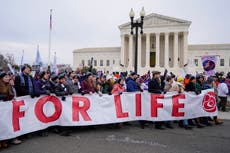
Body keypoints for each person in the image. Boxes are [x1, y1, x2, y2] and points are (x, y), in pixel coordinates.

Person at [0, 72, 21, 148]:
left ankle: (5, 140)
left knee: (6, 123)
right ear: (2, 78)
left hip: (7, 107)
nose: (7, 78)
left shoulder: (9, 85)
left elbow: (11, 95)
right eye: (5, 77)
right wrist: (4, 96)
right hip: (1, 106)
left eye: (8, 77)